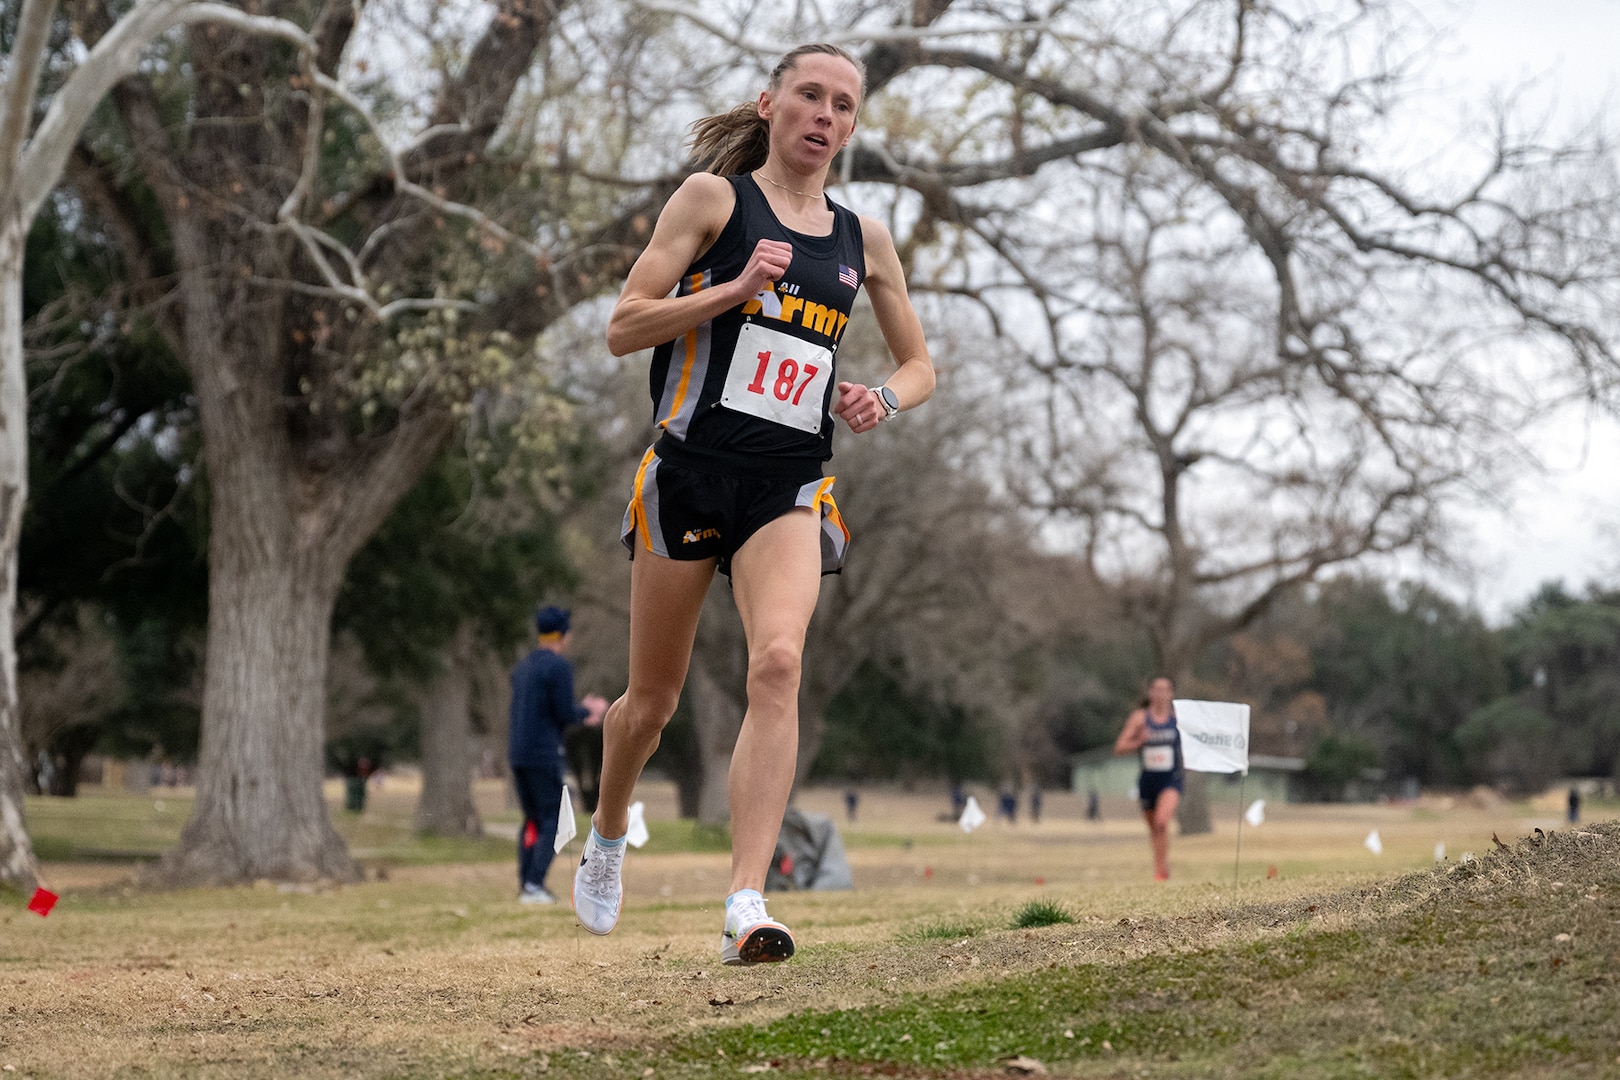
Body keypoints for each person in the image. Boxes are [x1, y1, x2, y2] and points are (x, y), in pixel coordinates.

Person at [573, 42, 934, 966]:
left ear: (854, 125)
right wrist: (731, 291)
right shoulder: (712, 202)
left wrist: (880, 398)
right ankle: (609, 830)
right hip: (690, 472)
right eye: (810, 96)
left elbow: (920, 365)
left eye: (844, 105)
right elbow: (622, 327)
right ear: (770, 105)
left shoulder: (865, 240)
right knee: (650, 704)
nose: (826, 115)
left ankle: (745, 899)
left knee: (778, 663)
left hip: (789, 484)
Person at [510, 606, 608, 905]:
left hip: (518, 753)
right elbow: (564, 713)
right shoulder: (558, 667)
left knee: (532, 819)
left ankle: (526, 882)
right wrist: (589, 712)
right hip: (543, 754)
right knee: (553, 817)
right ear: (563, 635)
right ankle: (534, 884)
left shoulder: (523, 667)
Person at [1113, 675, 1183, 881]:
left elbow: (1193, 743)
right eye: (1157, 689)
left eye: (1166, 689)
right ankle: (1161, 867)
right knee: (1154, 829)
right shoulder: (1140, 718)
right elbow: (1119, 747)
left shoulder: (1178, 719)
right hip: (1147, 780)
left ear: (1171, 694)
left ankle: (1160, 872)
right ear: (1150, 692)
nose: (1161, 694)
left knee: (1162, 822)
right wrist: (1138, 742)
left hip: (1171, 778)